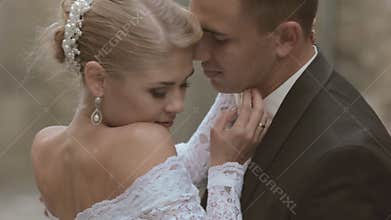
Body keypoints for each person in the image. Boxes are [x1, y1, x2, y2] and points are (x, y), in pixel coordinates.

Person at [31, 0, 269, 219]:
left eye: (184, 84)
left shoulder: (43, 146)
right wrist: (226, 170)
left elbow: (169, 174)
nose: (178, 105)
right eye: (159, 91)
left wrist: (235, 87)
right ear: (97, 79)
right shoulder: (144, 141)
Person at [190, 0, 391, 219]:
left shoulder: (347, 160)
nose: (199, 53)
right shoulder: (241, 89)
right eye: (196, 32)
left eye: (219, 39)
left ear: (286, 38)